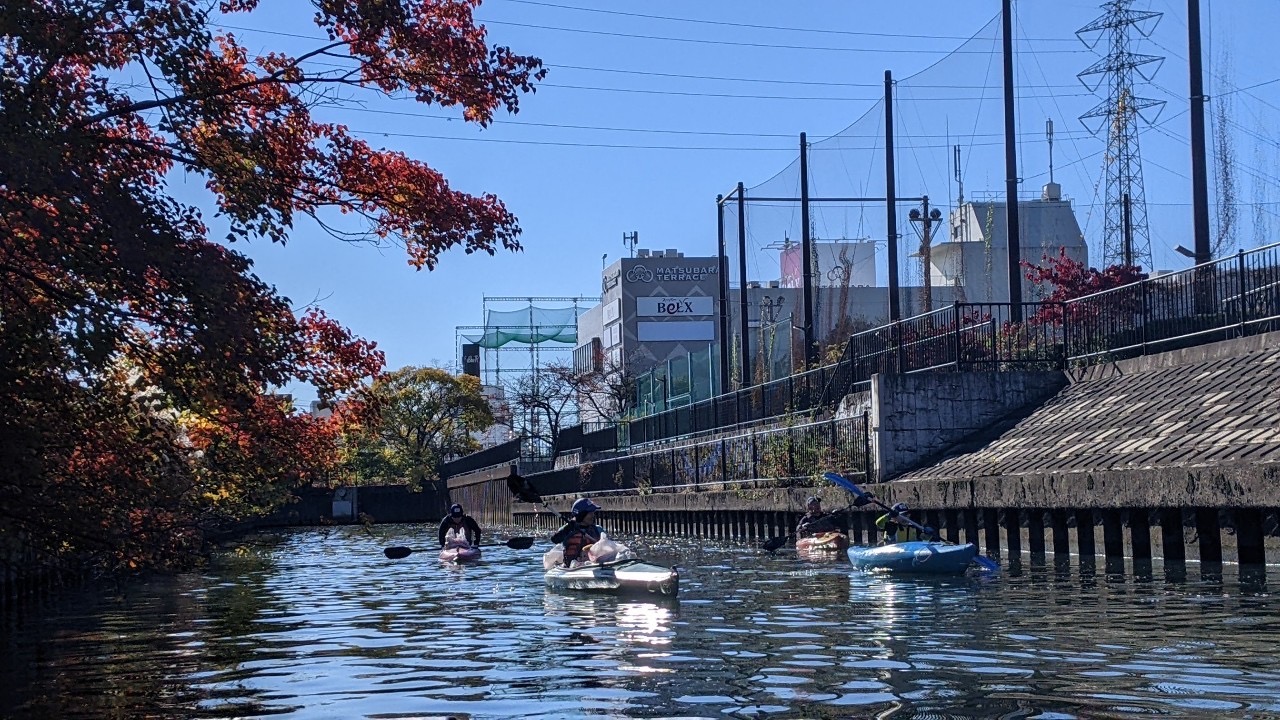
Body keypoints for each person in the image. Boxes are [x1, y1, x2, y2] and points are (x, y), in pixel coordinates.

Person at [550, 497, 605, 566]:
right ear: (581, 515)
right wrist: (568, 528)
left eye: (593, 513)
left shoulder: (598, 529)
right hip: (572, 567)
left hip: (594, 564)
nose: (593, 516)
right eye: (590, 513)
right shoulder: (568, 530)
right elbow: (554, 539)